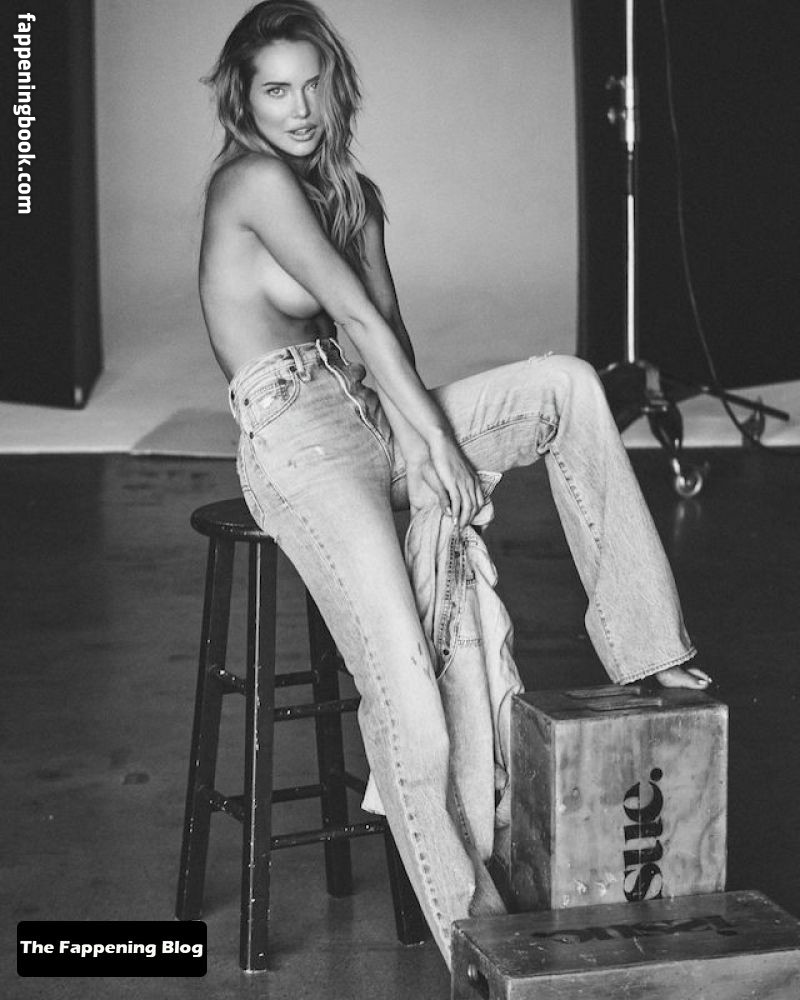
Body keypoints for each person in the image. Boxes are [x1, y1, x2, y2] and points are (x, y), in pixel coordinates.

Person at [199, 0, 711, 966]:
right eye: (276, 90)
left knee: (565, 385)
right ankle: (479, 950)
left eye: (313, 85)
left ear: (335, 87)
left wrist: (422, 445)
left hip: (370, 414)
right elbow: (353, 314)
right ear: (245, 100)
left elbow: (388, 341)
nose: (298, 108)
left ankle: (646, 645)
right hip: (298, 446)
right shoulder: (251, 181)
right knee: (409, 701)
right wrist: (436, 447)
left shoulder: (352, 195)